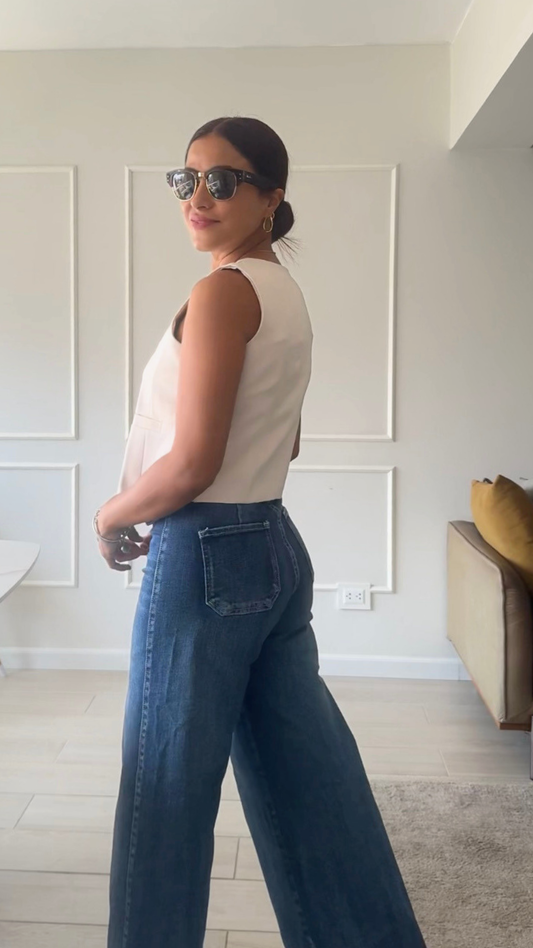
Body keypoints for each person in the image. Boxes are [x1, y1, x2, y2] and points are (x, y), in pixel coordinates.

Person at [94, 116, 427, 948]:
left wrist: (111, 514)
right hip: (271, 542)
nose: (197, 197)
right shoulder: (282, 292)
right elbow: (287, 441)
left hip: (203, 550)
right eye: (187, 179)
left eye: (222, 180)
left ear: (271, 197)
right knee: (312, 784)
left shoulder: (220, 292)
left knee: (163, 795)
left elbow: (193, 463)